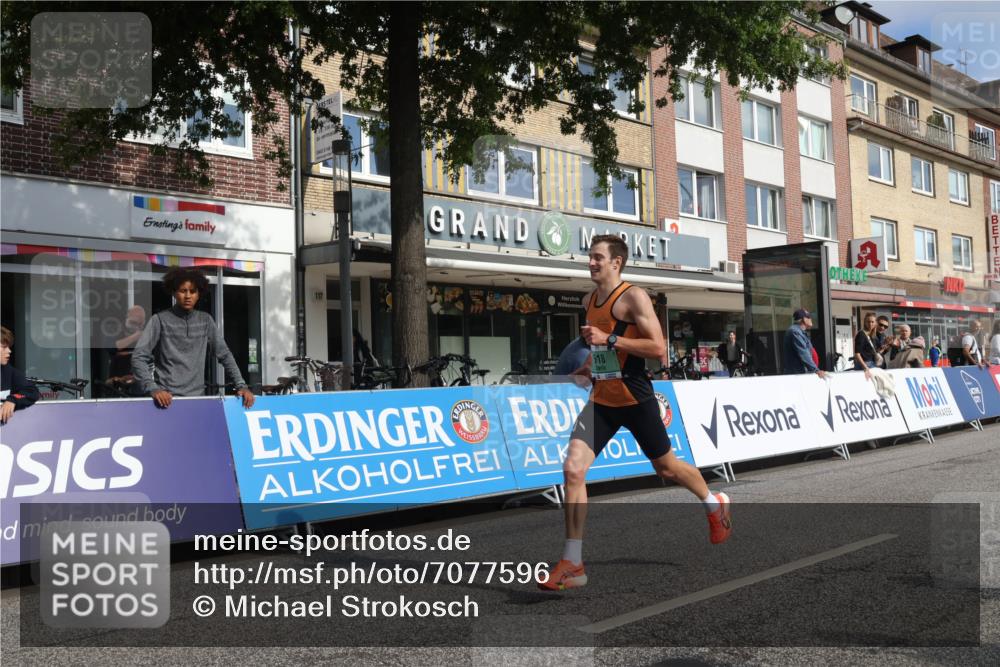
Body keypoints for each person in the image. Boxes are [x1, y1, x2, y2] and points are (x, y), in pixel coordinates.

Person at [539, 235, 731, 591]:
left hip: (635, 398)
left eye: (598, 258)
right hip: (603, 399)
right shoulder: (590, 299)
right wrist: (588, 367)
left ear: (617, 262)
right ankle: (573, 563)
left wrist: (609, 339)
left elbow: (658, 348)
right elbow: (603, 351)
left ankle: (713, 501)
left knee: (666, 467)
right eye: (590, 257)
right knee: (573, 469)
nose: (591, 262)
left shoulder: (634, 297)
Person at [132, 268, 255, 409]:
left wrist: (242, 385)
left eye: (193, 291)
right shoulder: (159, 320)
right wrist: (153, 388)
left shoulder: (206, 320)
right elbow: (139, 357)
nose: (188, 296)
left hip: (197, 400)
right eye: (183, 291)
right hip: (166, 402)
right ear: (174, 292)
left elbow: (225, 355)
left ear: (198, 294)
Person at [1, 326, 40, 424]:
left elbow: (32, 391)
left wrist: (13, 400)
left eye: (9, 347)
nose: (9, 351)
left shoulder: (10, 372)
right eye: (4, 347)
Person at [782, 309, 826, 378]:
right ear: (804, 319)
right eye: (809, 317)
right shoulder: (795, 332)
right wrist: (816, 370)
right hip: (796, 375)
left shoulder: (800, 332)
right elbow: (803, 353)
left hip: (800, 373)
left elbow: (809, 351)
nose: (811, 319)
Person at [853, 312, 880, 380]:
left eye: (872, 322)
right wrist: (865, 367)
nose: (870, 324)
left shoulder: (873, 335)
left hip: (871, 363)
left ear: (875, 323)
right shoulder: (861, 334)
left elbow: (872, 352)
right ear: (865, 322)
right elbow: (857, 354)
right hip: (865, 364)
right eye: (868, 322)